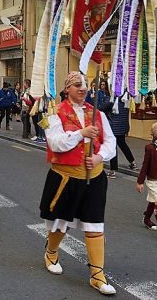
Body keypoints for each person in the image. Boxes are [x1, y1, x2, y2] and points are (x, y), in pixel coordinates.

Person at [39, 71, 117, 295]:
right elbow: (55, 143)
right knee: (60, 222)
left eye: (84, 85)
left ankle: (97, 275)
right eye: (76, 85)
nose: (82, 88)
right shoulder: (55, 112)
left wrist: (100, 157)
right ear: (67, 89)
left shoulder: (97, 114)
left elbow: (110, 141)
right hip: (66, 178)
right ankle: (51, 251)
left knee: (95, 225)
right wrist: (81, 133)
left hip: (94, 177)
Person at [105, 94, 138, 178]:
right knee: (123, 145)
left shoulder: (111, 99)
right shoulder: (126, 99)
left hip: (113, 126)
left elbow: (102, 108)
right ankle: (133, 163)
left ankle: (113, 170)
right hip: (122, 126)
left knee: (113, 148)